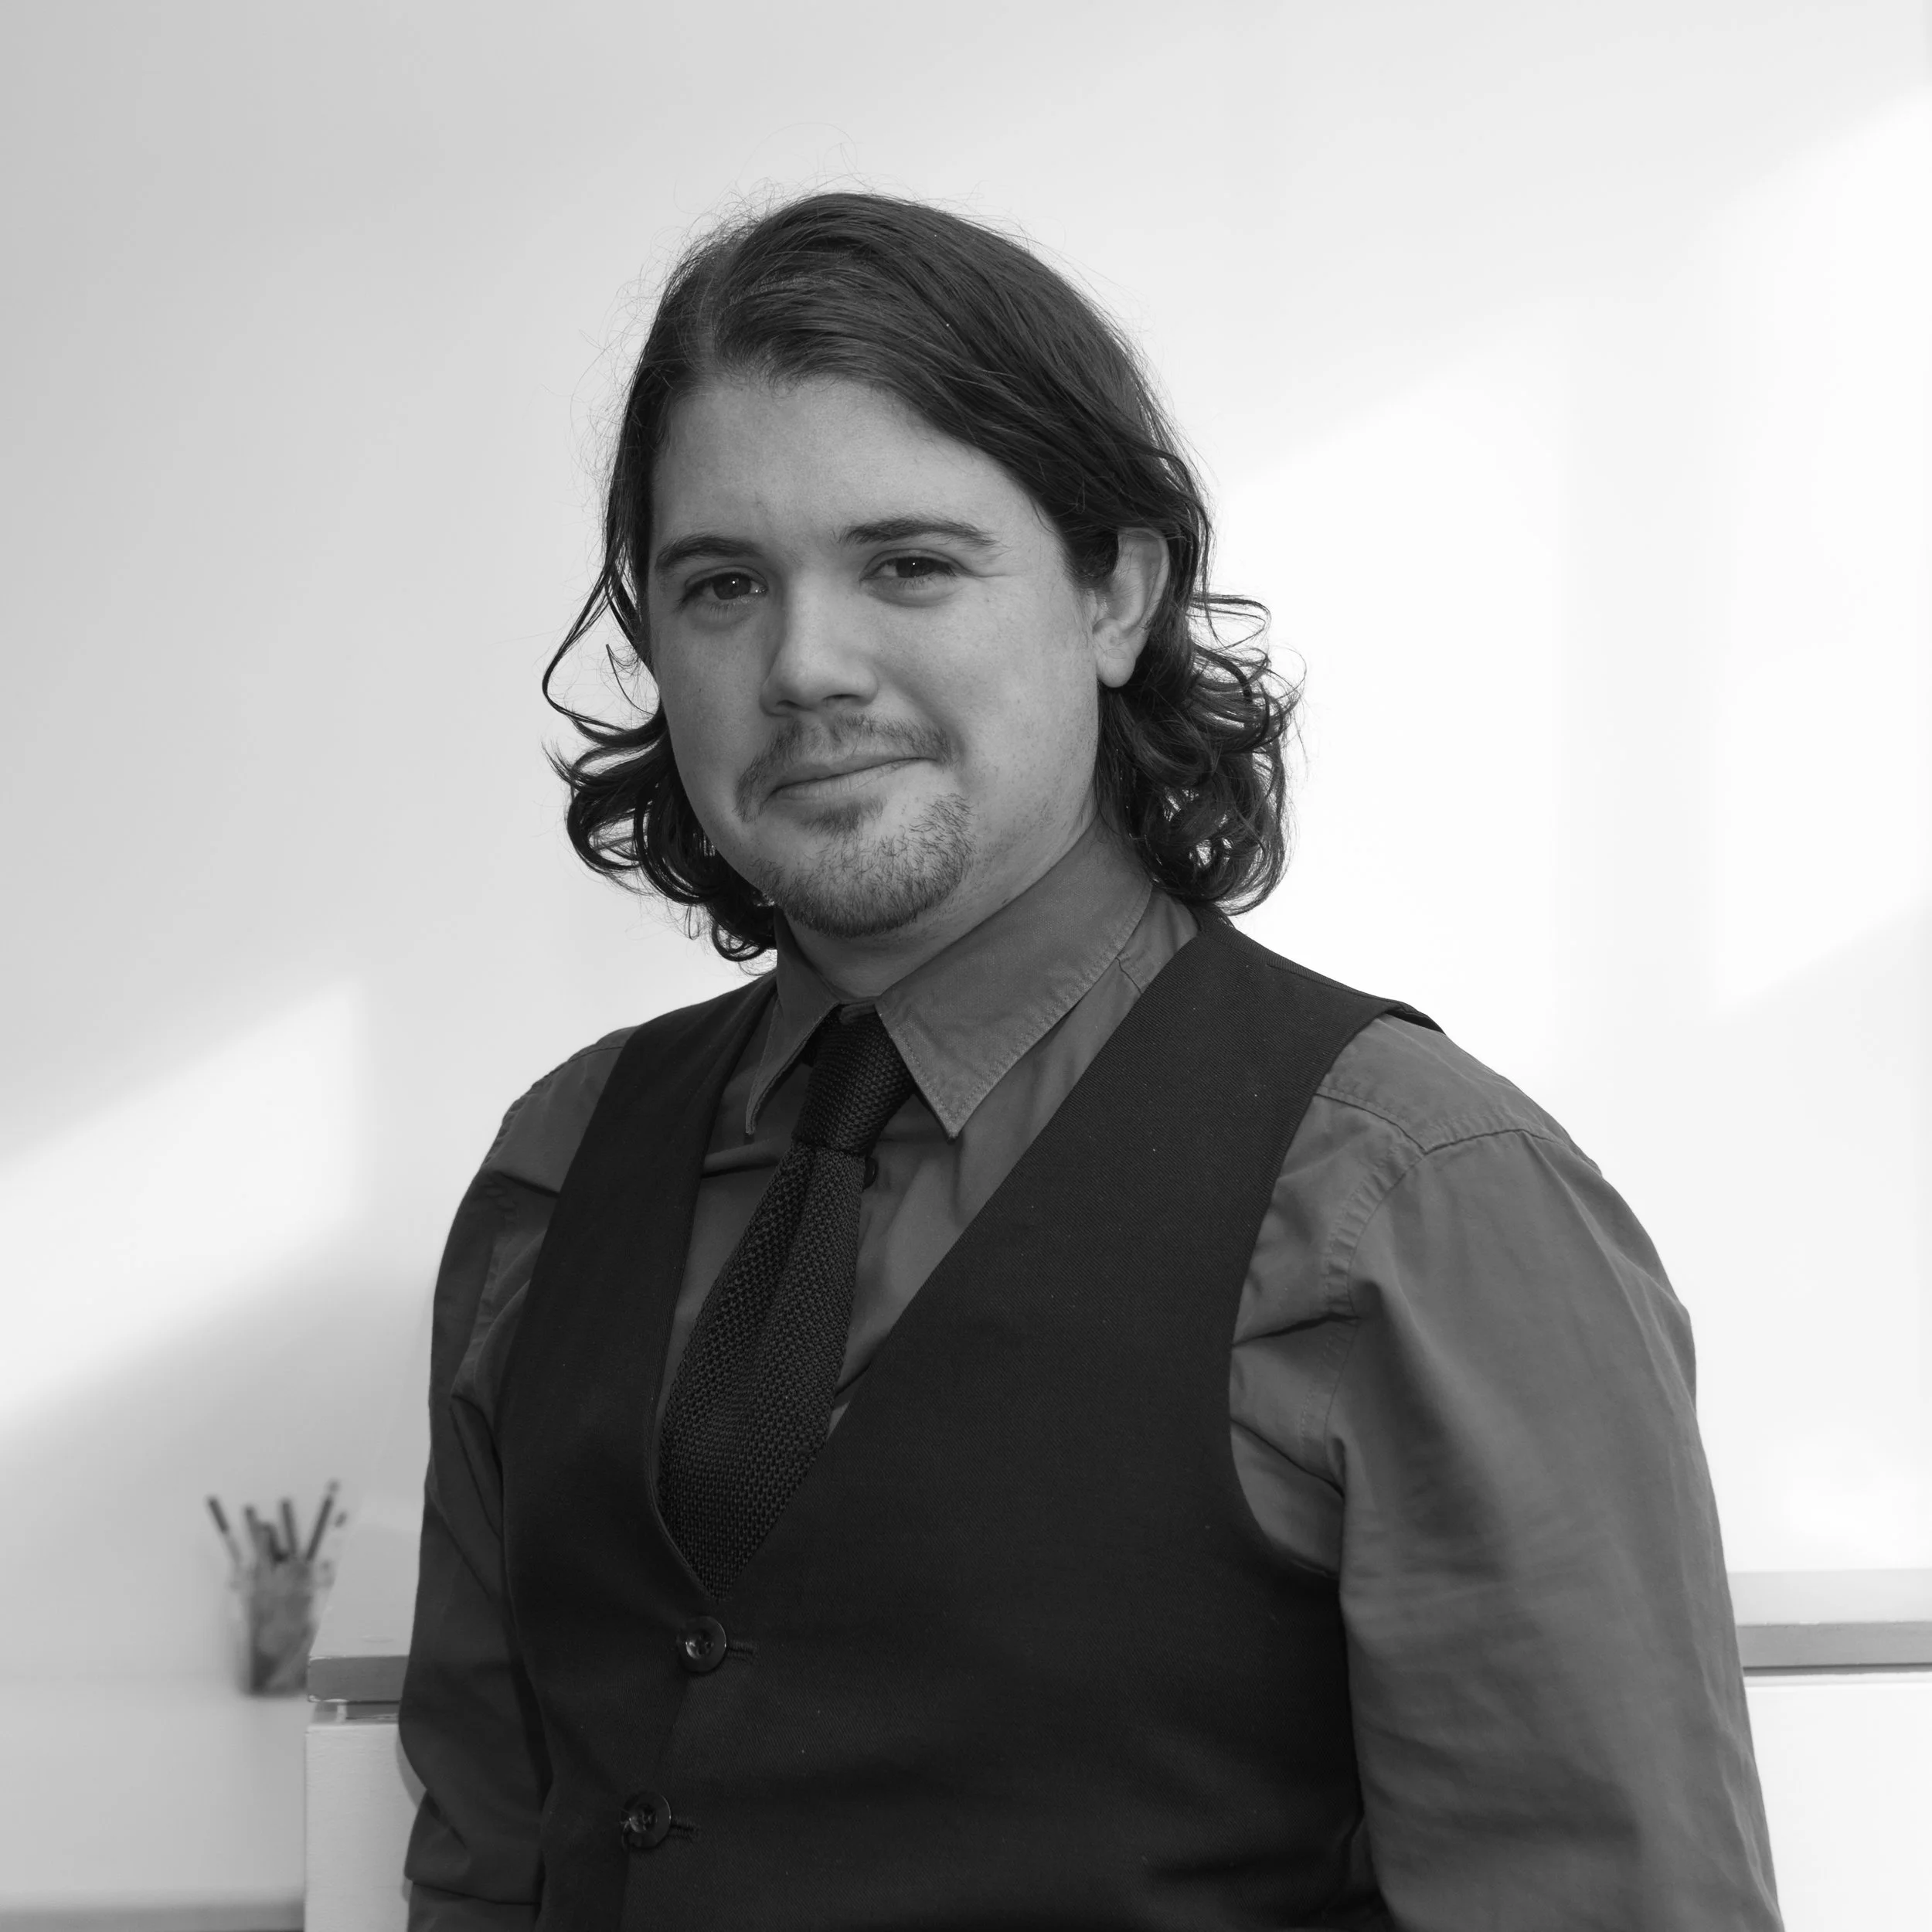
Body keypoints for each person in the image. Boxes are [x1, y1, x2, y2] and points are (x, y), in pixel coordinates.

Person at [396, 192, 1781, 1931]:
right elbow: (485, 1861)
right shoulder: (559, 1166)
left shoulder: (1409, 1198)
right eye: (723, 584)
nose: (804, 665)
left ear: (1115, 592)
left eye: (908, 562)